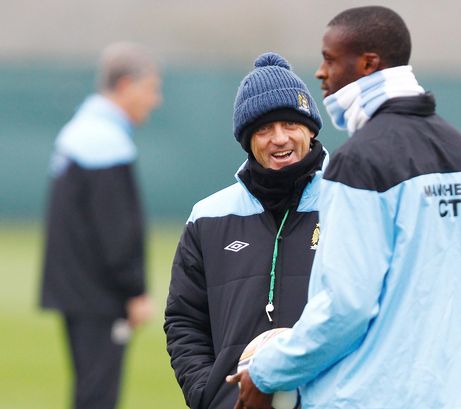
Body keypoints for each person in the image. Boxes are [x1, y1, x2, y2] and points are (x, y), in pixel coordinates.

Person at [228, 6, 461, 409]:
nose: (320, 72)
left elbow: (345, 307)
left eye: (330, 59)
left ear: (369, 64)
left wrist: (265, 373)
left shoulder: (359, 161)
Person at [164, 52, 328, 409]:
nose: (279, 139)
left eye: (290, 124)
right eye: (264, 129)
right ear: (247, 140)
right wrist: (207, 394)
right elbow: (184, 320)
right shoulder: (208, 217)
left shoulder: (349, 203)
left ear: (311, 129)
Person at [40, 42, 161, 409]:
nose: (155, 100)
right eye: (151, 89)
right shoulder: (104, 140)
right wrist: (134, 290)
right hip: (99, 294)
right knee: (98, 397)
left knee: (89, 391)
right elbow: (117, 229)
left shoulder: (82, 129)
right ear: (125, 85)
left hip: (78, 290)